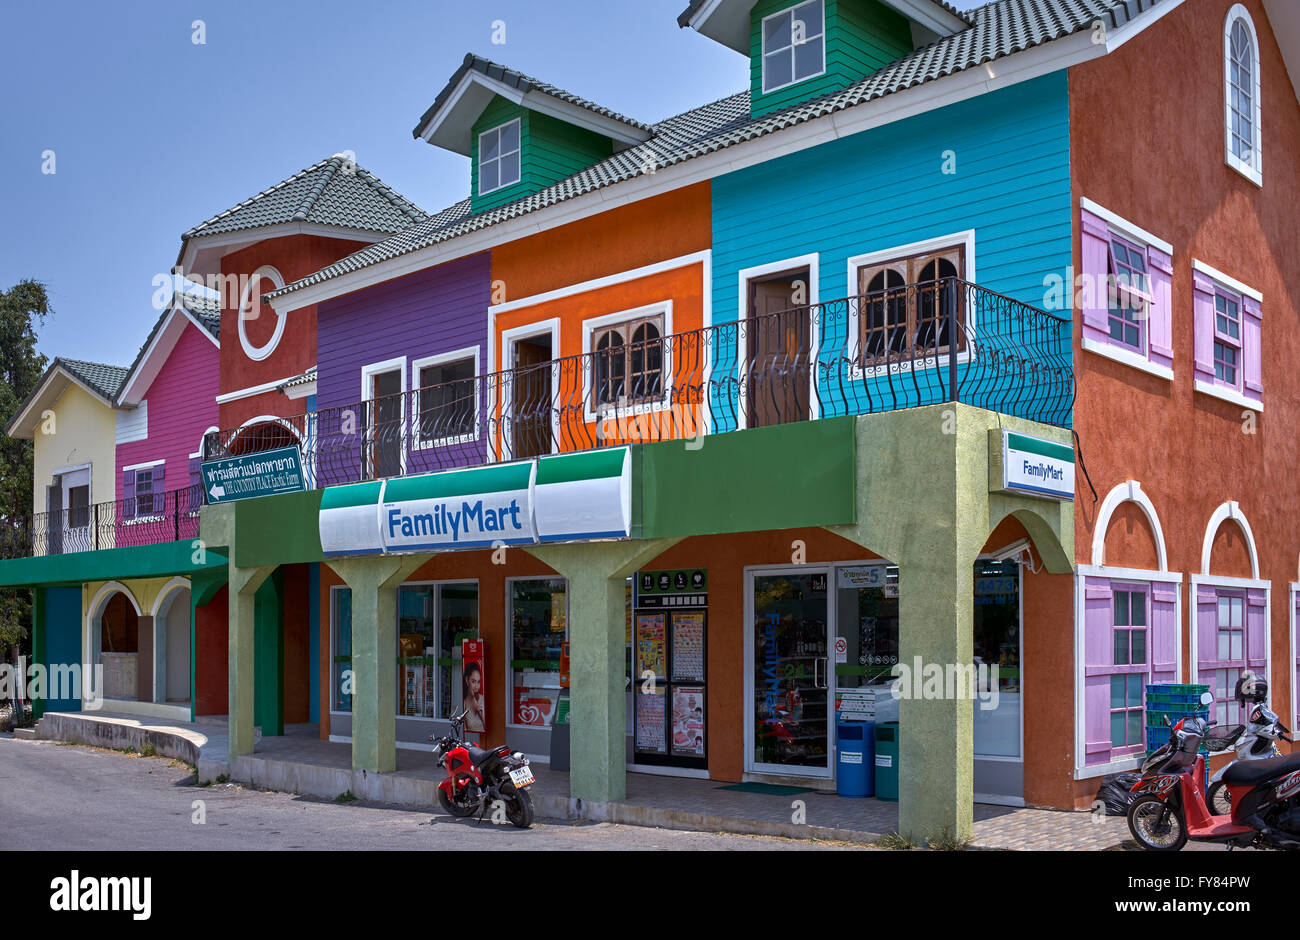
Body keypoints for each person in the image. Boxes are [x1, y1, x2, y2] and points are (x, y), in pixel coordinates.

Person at [462, 661, 486, 732]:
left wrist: (481, 714)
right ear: (467, 680)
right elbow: (465, 729)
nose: (476, 687)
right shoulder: (464, 704)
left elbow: (489, 728)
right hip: (471, 740)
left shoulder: (483, 700)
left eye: (478, 682)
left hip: (484, 738)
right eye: (473, 681)